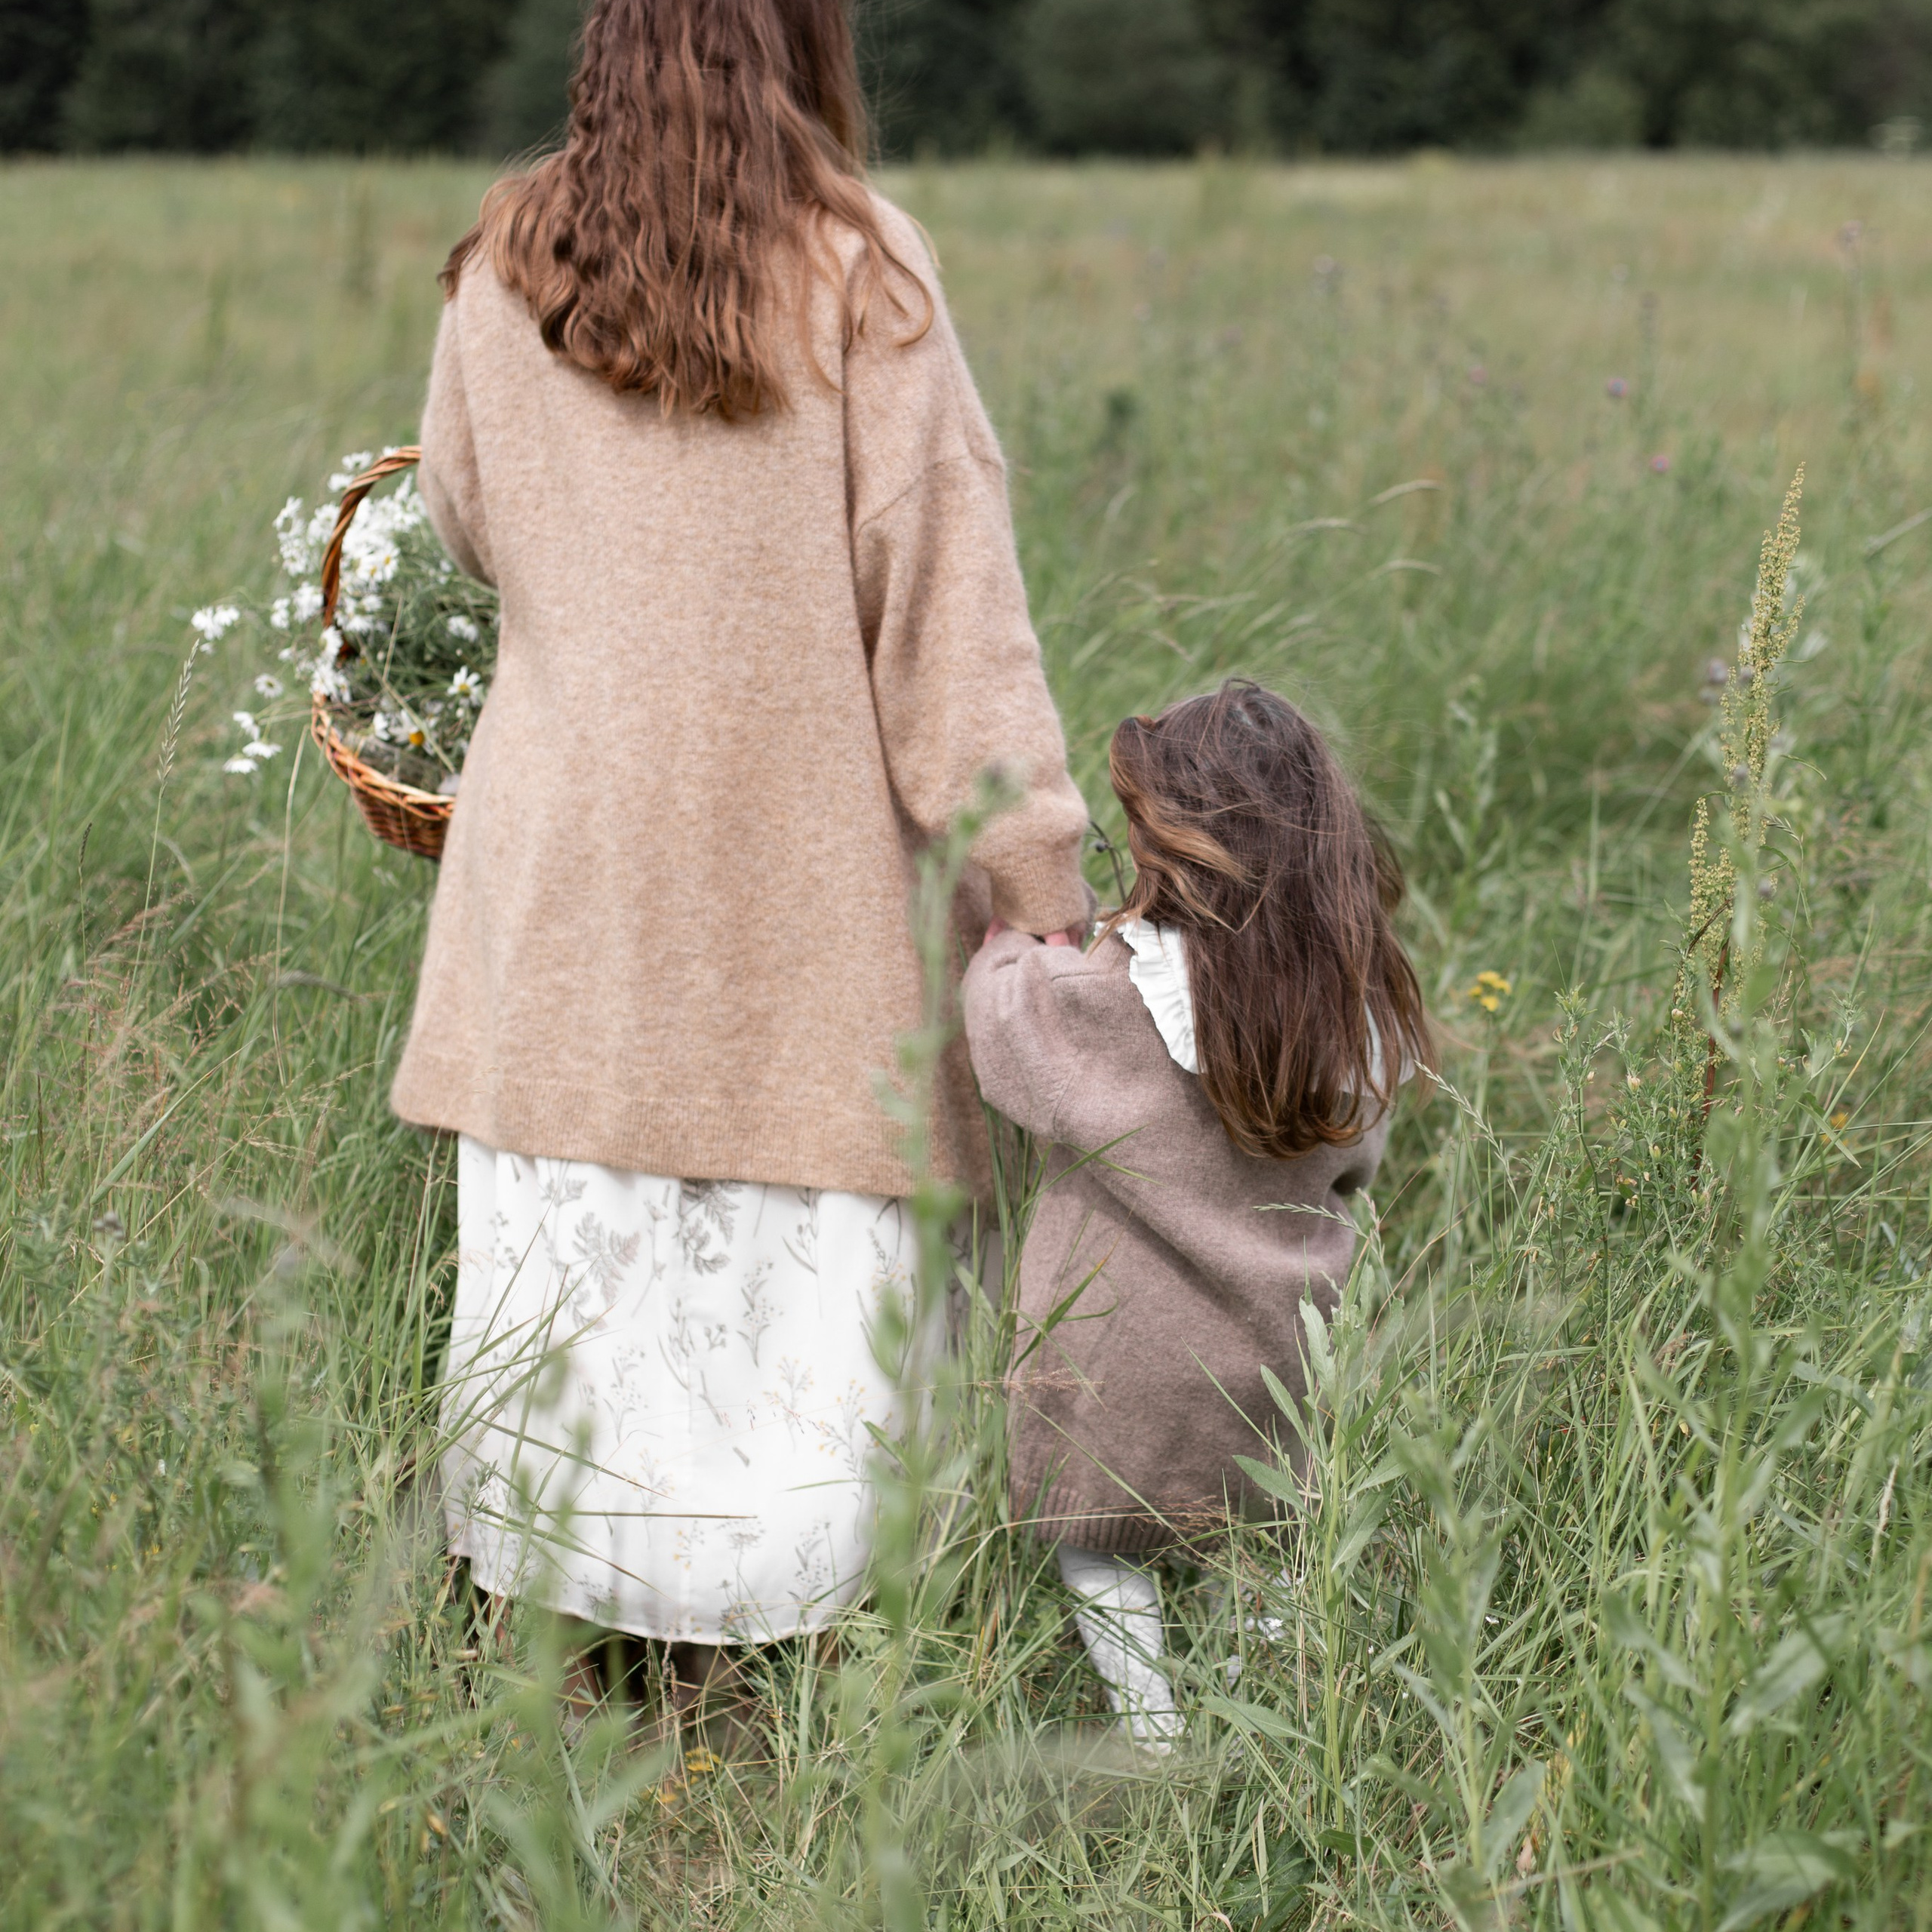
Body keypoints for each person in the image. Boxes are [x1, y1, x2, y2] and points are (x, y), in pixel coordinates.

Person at [395, 0, 1091, 1738]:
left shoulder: (505, 251)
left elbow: (463, 517)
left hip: (562, 875)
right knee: (795, 1264)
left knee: (579, 1239)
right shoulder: (861, 263)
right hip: (802, 889)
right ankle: (774, 1658)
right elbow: (949, 611)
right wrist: (1038, 872)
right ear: (800, 37)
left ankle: (565, 1634)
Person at [961, 679, 1430, 1750]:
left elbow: (1013, 1037)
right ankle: (1263, 1709)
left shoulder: (1121, 996)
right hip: (1279, 1347)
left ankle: (1155, 1732)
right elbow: (1359, 1159)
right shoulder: (1343, 1004)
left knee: (1097, 1541)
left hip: (1121, 1353)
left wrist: (1008, 945)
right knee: (1257, 1532)